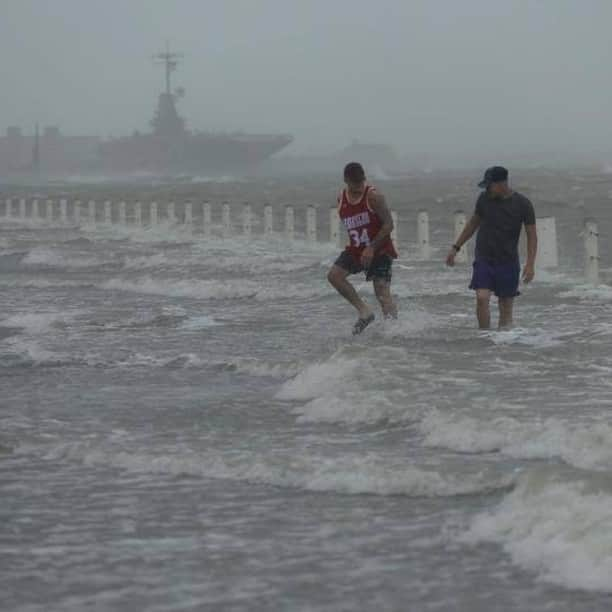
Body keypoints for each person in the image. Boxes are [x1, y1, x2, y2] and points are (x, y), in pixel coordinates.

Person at [446, 166, 537, 329]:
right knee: (481, 298)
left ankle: (503, 344)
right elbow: (473, 224)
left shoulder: (523, 204)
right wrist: (455, 247)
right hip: (484, 258)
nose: (487, 189)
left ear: (502, 184)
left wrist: (530, 264)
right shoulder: (483, 199)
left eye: (490, 185)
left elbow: (532, 235)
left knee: (505, 307)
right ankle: (484, 336)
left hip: (508, 261)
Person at [327, 162, 398, 335]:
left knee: (381, 291)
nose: (359, 188)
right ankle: (365, 312)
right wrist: (362, 247)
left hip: (380, 249)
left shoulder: (374, 196)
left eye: (361, 183)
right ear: (346, 181)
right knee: (334, 276)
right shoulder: (341, 198)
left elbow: (389, 224)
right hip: (356, 249)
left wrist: (372, 247)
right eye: (355, 184)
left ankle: (394, 330)